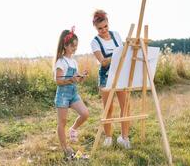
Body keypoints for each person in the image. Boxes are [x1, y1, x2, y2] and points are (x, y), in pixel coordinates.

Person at [90, 10, 131, 149]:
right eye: (100, 28)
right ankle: (108, 137)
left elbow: (125, 53)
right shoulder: (95, 42)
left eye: (105, 26)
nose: (104, 30)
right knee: (108, 108)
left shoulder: (116, 35)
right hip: (105, 77)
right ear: (95, 27)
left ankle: (124, 138)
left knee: (125, 105)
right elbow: (103, 61)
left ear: (108, 23)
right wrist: (117, 55)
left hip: (120, 74)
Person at [53, 26, 89, 159]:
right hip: (63, 95)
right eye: (73, 46)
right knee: (62, 122)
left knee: (85, 113)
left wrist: (81, 77)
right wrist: (70, 79)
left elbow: (76, 80)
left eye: (76, 46)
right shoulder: (61, 61)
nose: (75, 48)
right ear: (65, 45)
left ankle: (73, 129)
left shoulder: (73, 61)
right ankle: (65, 148)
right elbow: (58, 81)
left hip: (73, 93)